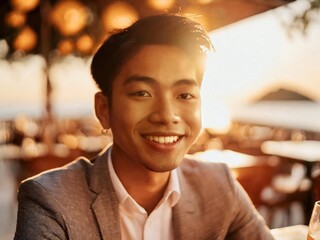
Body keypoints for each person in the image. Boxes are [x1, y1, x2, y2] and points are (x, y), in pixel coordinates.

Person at [14, 13, 274, 239]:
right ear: (104, 109)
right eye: (142, 93)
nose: (166, 115)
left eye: (184, 95)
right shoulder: (50, 201)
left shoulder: (219, 185)